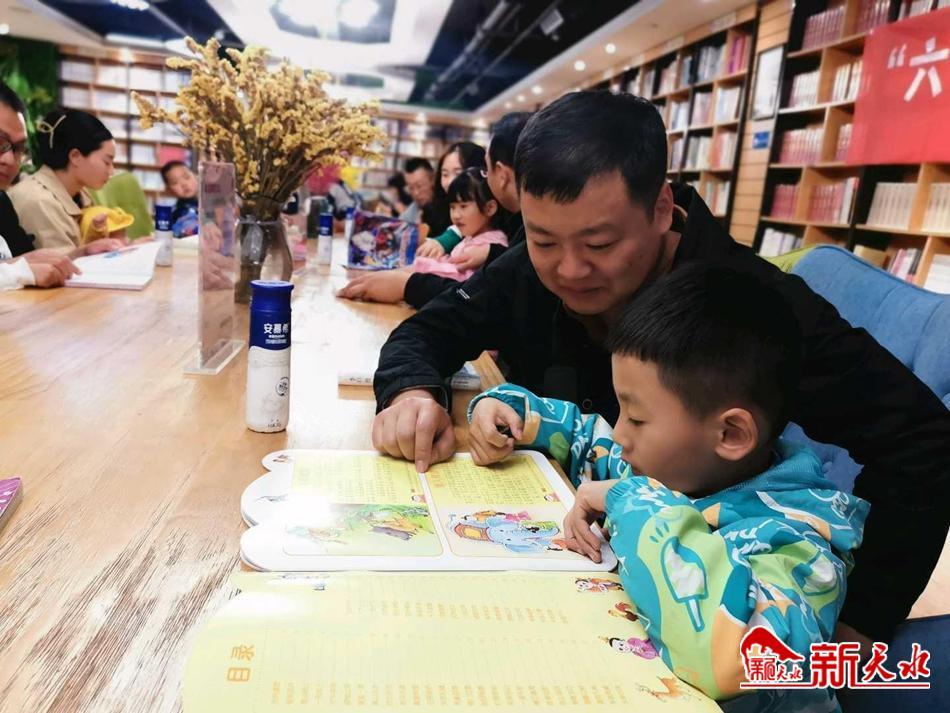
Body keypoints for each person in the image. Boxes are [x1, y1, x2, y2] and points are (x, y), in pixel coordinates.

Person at [367, 90, 950, 647]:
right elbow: (430, 330)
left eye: (600, 244)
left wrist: (861, 620)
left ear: (662, 209)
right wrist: (411, 393)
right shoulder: (535, 264)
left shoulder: (746, 308)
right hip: (568, 561)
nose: (568, 270)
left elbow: (922, 439)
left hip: (706, 608)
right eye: (543, 241)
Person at [467, 265, 868, 710]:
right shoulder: (667, 463)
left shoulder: (802, 547)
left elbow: (731, 655)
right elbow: (584, 435)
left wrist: (624, 498)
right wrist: (508, 411)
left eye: (637, 418)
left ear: (731, 435)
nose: (621, 434)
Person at [339, 112, 531, 306]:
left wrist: (406, 283)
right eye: (445, 174)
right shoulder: (501, 228)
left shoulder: (513, 234)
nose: (451, 182)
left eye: (459, 173)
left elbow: (476, 296)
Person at [0, 82, 121, 286]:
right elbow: (25, 269)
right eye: (106, 161)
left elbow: (29, 262)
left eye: (18, 149)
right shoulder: (37, 200)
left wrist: (83, 252)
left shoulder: (2, 202)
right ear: (75, 156)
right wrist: (20, 272)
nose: (10, 160)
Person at [9, 109, 118, 249]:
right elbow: (63, 261)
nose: (112, 171)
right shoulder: (39, 202)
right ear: (75, 157)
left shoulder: (81, 194)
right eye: (107, 162)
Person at [411, 168, 507, 282]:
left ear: (489, 208)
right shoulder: (471, 236)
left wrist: (422, 265)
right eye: (452, 207)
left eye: (463, 206)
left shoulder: (491, 242)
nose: (456, 215)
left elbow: (459, 275)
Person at [160, 159, 198, 225]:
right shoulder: (175, 215)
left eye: (187, 177)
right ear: (169, 190)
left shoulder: (209, 202)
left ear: (196, 176)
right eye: (175, 182)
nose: (184, 184)